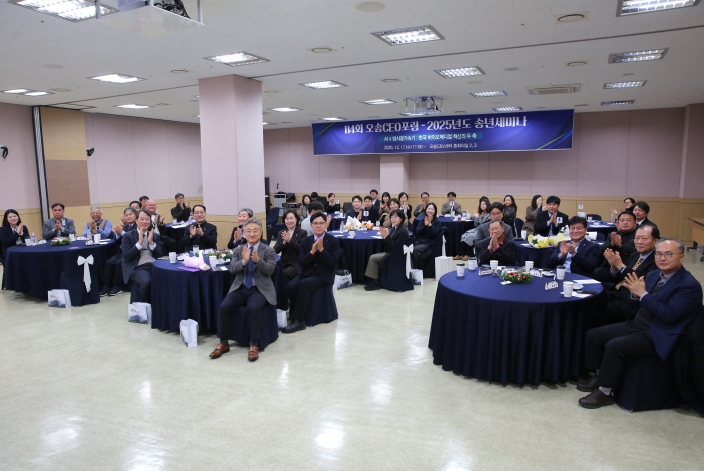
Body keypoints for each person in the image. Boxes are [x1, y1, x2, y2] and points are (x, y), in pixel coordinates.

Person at [577, 238, 703, 409]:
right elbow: (639, 302)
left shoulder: (689, 286)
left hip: (659, 333)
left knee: (614, 347)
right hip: (638, 323)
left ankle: (604, 392)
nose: (662, 258)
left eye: (668, 254)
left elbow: (669, 315)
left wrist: (643, 295)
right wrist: (636, 296)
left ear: (681, 257)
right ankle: (600, 377)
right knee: (594, 336)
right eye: (659, 254)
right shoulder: (653, 275)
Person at [209, 217, 277, 362]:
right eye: (248, 231)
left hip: (259, 288)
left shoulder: (269, 250)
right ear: (244, 233)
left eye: (255, 231)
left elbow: (270, 270)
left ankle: (253, 344)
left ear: (261, 232)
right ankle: (223, 342)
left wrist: (258, 261)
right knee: (224, 306)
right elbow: (232, 269)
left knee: (254, 308)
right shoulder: (238, 250)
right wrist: (244, 261)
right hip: (241, 287)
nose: (252, 234)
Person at [283, 212, 340, 334]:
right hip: (306, 272)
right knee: (290, 287)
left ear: (326, 224)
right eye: (315, 223)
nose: (318, 226)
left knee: (304, 285)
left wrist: (322, 250)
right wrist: (311, 253)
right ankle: (297, 311)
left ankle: (299, 321)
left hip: (323, 275)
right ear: (311, 225)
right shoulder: (306, 241)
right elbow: (302, 263)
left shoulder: (333, 241)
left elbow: (333, 263)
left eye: (321, 223)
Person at [593, 225, 660, 325]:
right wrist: (614, 268)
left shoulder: (657, 261)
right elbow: (621, 277)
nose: (639, 242)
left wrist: (620, 265)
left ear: (655, 241)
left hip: (628, 302)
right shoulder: (635, 255)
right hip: (616, 293)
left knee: (594, 309)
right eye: (637, 238)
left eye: (644, 238)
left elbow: (639, 280)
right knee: (589, 299)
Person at [121, 210, 163, 303]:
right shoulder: (128, 236)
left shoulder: (154, 235)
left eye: (147, 219)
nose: (144, 222)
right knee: (146, 281)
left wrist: (151, 243)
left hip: (153, 265)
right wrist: (139, 243)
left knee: (167, 278)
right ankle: (144, 307)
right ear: (136, 220)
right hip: (136, 267)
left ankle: (160, 306)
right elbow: (127, 256)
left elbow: (159, 255)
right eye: (142, 219)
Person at [364, 209, 410, 291]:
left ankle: (376, 282)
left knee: (373, 258)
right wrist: (384, 235)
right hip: (391, 251)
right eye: (391, 217)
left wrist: (386, 236)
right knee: (373, 256)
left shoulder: (402, 231)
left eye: (395, 217)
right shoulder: (395, 228)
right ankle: (372, 280)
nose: (393, 219)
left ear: (401, 219)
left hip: (397, 255)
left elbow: (396, 247)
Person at [100, 207, 139, 297]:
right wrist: (117, 235)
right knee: (109, 262)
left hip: (132, 252)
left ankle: (117, 286)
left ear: (136, 215)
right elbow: (118, 243)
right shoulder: (125, 226)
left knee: (119, 263)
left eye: (130, 214)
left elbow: (134, 240)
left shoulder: (138, 226)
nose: (128, 216)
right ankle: (106, 285)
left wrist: (122, 232)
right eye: (126, 215)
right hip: (122, 252)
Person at [274, 210, 308, 284]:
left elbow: (302, 249)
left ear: (296, 219)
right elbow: (275, 250)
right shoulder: (281, 233)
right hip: (283, 263)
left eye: (291, 218)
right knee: (274, 271)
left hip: (296, 263)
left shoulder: (302, 233)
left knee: (285, 274)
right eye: (287, 219)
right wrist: (284, 243)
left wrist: (290, 241)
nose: (289, 221)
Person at [412, 202, 442, 269]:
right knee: (409, 248)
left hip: (429, 243)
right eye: (428, 209)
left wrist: (430, 225)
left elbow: (434, 235)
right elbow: (417, 232)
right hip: (420, 241)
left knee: (415, 249)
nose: (430, 211)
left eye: (432, 209)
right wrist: (425, 226)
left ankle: (416, 269)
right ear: (426, 210)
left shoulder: (437, 222)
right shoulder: (422, 220)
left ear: (435, 211)